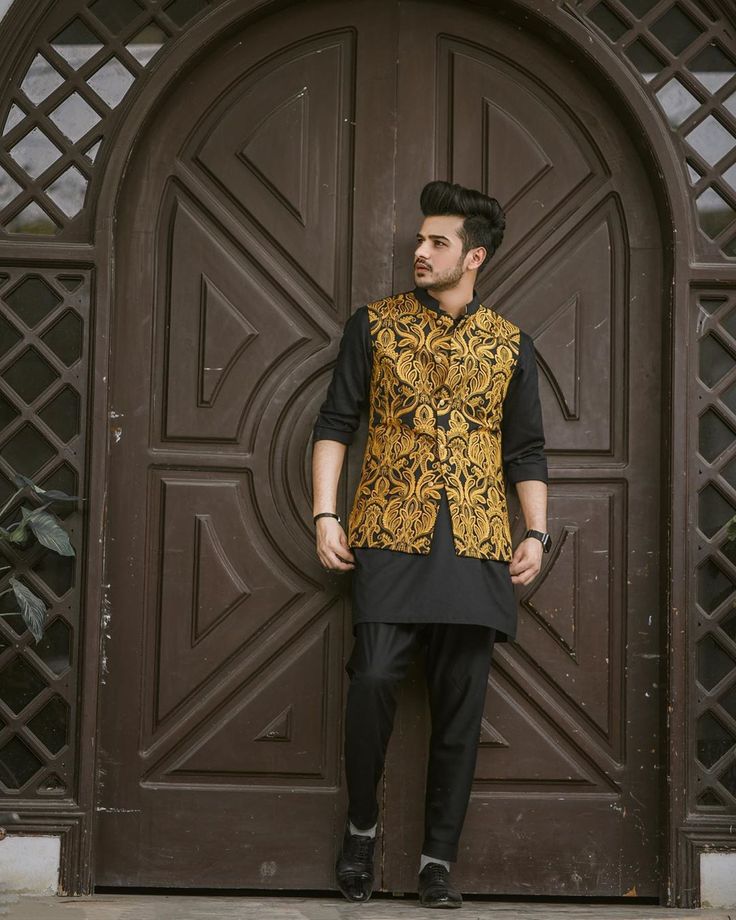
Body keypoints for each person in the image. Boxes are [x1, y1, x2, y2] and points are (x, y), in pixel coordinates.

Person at [310, 180, 549, 909]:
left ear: (473, 256)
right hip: (387, 529)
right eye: (420, 239)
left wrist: (535, 530)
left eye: (437, 242)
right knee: (375, 678)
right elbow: (335, 422)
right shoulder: (374, 326)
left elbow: (527, 450)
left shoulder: (511, 344)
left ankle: (437, 863)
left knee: (459, 708)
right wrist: (326, 515)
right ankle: (360, 827)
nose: (419, 250)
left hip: (477, 542)